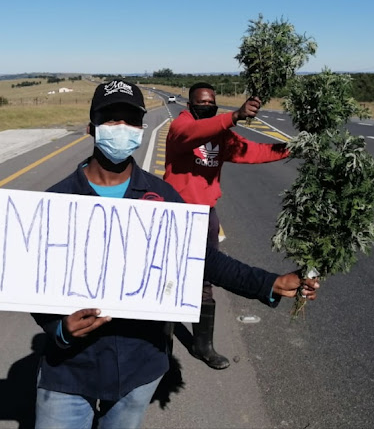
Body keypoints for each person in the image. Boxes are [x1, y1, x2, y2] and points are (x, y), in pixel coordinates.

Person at [32, 79, 319, 429]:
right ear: (91, 128)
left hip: (139, 368)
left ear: (141, 128)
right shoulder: (56, 201)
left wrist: (269, 283)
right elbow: (33, 279)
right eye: (110, 119)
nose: (120, 128)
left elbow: (205, 260)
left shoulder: (162, 198)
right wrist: (57, 328)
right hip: (70, 370)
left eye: (129, 120)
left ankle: (203, 343)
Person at [164, 82, 291, 369]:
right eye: (202, 103)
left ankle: (202, 346)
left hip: (206, 215)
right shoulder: (181, 126)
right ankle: (161, 349)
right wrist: (233, 116)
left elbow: (252, 151)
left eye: (212, 102)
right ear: (190, 105)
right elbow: (190, 133)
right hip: (175, 214)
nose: (208, 106)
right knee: (169, 279)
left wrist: (291, 149)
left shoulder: (221, 136)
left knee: (205, 279)